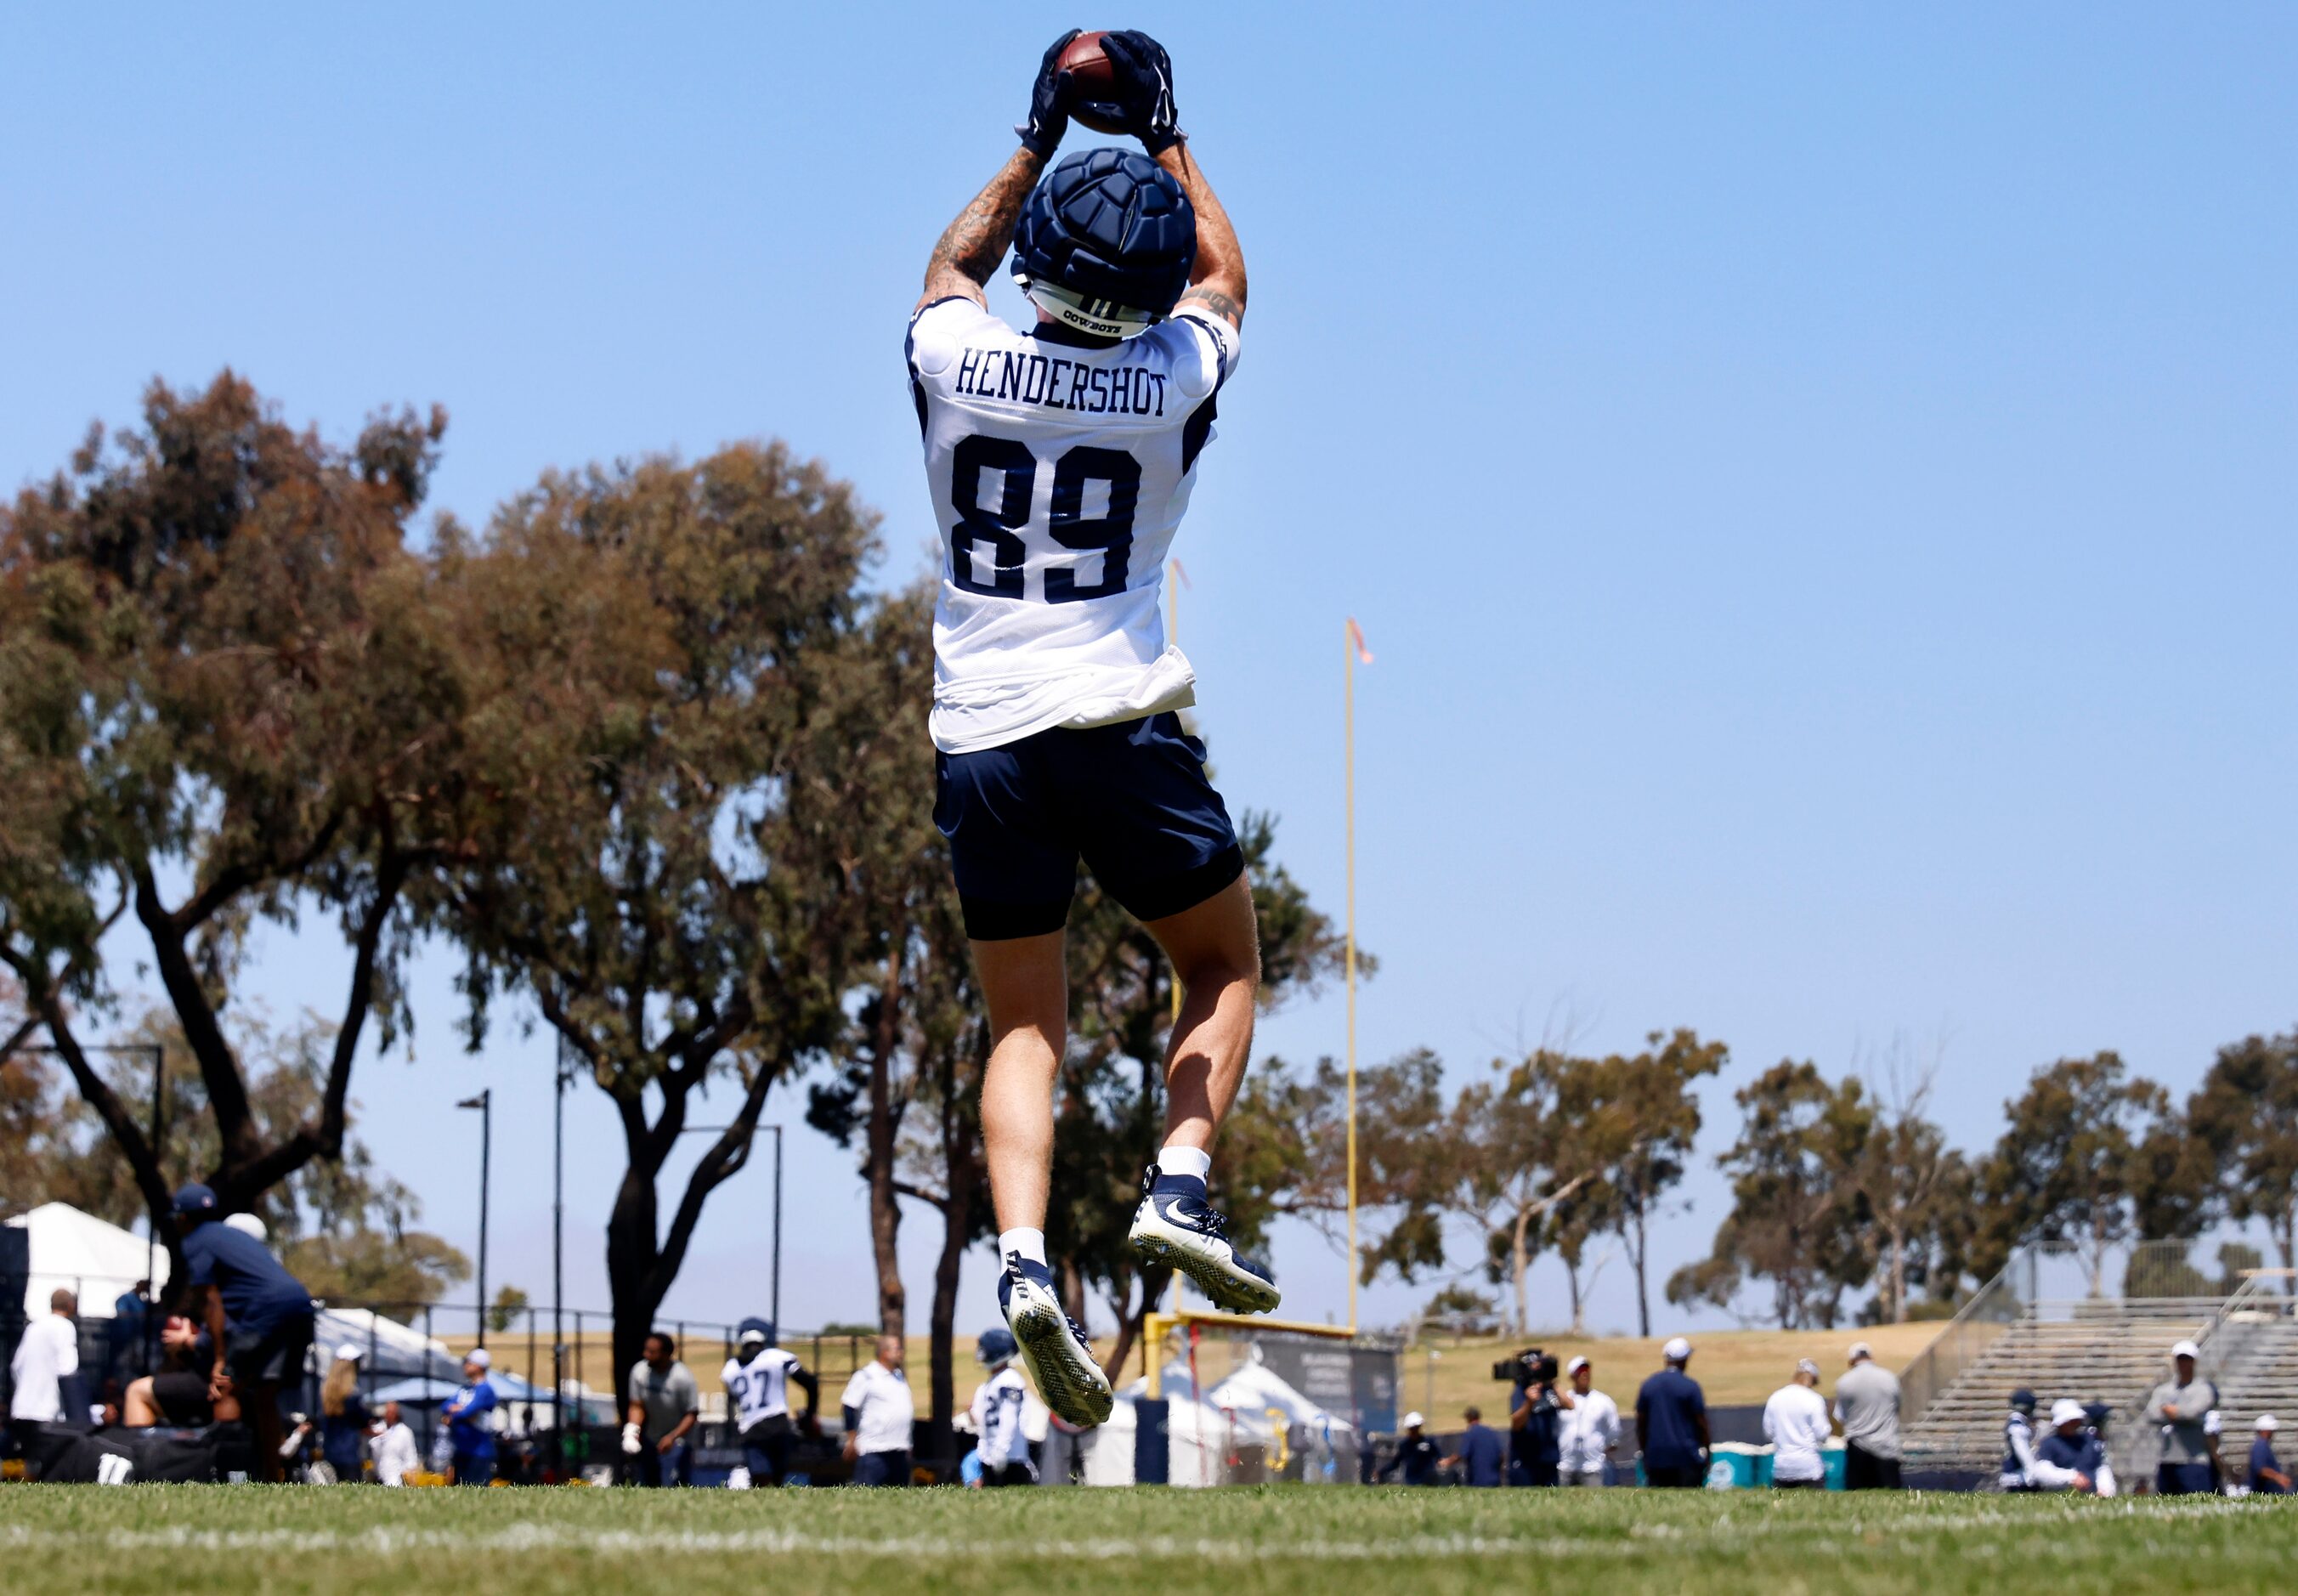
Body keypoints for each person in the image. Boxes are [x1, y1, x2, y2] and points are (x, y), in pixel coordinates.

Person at [908, 29, 1267, 1430]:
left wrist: (1040, 131)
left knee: (1022, 1020)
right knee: (1221, 961)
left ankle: (1016, 1257)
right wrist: (1163, 131)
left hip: (980, 731)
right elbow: (1223, 276)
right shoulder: (1177, 374)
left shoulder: (952, 356)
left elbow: (950, 265)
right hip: (1115, 721)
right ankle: (1174, 1184)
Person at [173, 1182, 314, 1484]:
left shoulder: (195, 1241)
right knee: (265, 1394)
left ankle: (225, 1473)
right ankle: (274, 1475)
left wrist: (220, 1358)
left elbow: (211, 1300)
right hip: (300, 1302)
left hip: (267, 1310)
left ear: (183, 1219)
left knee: (226, 1384)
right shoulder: (234, 1236)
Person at [722, 1318, 818, 1486]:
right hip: (778, 1424)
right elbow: (810, 1383)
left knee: (762, 1480)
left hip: (751, 1428)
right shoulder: (775, 1357)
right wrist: (810, 1414)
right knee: (776, 1479)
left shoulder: (731, 1368)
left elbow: (734, 1401)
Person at [122, 1313, 233, 1427]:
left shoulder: (224, 1303)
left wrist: (186, 1339)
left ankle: (141, 1444)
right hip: (213, 1374)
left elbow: (225, 1339)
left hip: (219, 1379)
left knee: (137, 1391)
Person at [2142, 1338, 2221, 1497]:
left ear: (2194, 1361)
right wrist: (2176, 1413)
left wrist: (2171, 1411)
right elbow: (2151, 1413)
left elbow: (2192, 1412)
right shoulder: (2163, 1390)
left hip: (2194, 1460)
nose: (2183, 1363)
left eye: (2187, 1359)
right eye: (2180, 1359)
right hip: (2167, 1460)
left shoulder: (2203, 1389)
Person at [8, 1288, 80, 1459]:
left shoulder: (34, 1326)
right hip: (48, 1409)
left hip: (22, 1407)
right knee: (44, 1463)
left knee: (22, 1460)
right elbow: (68, 1367)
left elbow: (16, 1366)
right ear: (71, 1305)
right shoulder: (66, 1326)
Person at [623, 1331, 699, 1487]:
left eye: (652, 1352)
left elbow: (691, 1414)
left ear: (666, 1354)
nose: (646, 1355)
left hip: (679, 1439)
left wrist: (671, 1437)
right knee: (647, 1483)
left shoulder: (683, 1378)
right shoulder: (639, 1372)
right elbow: (637, 1405)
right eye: (646, 1350)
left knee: (675, 1484)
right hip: (652, 1438)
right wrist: (632, 1431)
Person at [840, 1333, 917, 1487]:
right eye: (897, 1349)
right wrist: (851, 1439)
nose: (901, 1352)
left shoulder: (899, 1377)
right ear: (884, 1352)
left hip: (899, 1450)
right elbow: (849, 1407)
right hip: (874, 1451)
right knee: (867, 1497)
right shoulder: (867, 1376)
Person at [1636, 1338, 1711, 1487]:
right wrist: (1708, 1453)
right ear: (1683, 1360)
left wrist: (1645, 1454)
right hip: (1686, 1458)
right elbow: (1701, 1423)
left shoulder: (1649, 1385)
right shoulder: (1690, 1387)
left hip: (1657, 1459)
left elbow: (1641, 1424)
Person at [970, 1327, 1034, 1486]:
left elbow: (1009, 1416)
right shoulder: (989, 1384)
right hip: (990, 1455)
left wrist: (1001, 1448)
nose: (980, 1353)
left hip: (1011, 1457)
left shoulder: (1010, 1380)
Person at [1832, 1340, 1902, 1490]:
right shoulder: (1890, 1378)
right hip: (1887, 1446)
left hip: (1858, 1448)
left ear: (1852, 1361)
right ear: (1871, 1357)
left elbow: (1841, 1416)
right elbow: (1896, 1408)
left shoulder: (1844, 1382)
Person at [1763, 1359, 1832, 1490]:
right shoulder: (1814, 1399)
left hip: (1782, 1467)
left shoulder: (1775, 1398)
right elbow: (1822, 1433)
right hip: (1809, 1467)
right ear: (1812, 1379)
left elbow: (1768, 1432)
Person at [1557, 1357, 1622, 1487]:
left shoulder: (1602, 1401)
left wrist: (1603, 1446)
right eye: (1580, 1371)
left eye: (1587, 1370)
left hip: (1592, 1467)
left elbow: (1614, 1430)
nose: (1585, 1374)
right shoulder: (1564, 1400)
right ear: (1572, 1376)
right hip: (1565, 1465)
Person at [1509, 1356, 1572, 1486]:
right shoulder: (1521, 1391)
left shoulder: (1549, 1389)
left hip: (1549, 1457)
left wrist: (1552, 1382)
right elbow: (1516, 1424)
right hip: (1525, 1458)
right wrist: (1529, 1403)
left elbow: (1570, 1405)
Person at [442, 1348, 500, 1486]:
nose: (465, 1366)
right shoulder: (465, 1389)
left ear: (479, 1366)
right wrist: (461, 1412)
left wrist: (455, 1414)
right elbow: (445, 1405)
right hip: (462, 1450)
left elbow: (468, 1411)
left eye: (468, 1363)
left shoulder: (485, 1390)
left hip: (479, 1452)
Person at [2032, 1399, 2114, 1495]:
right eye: (2070, 1421)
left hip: (2094, 1495)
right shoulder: (2050, 1443)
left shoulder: (2089, 1441)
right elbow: (2042, 1472)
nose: (2075, 1423)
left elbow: (2101, 1468)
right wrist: (2071, 1477)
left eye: (2076, 1420)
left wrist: (2105, 1489)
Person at [319, 1344, 372, 1483]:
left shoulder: (325, 1394)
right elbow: (364, 1420)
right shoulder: (352, 1396)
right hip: (349, 1454)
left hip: (329, 1453)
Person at [1450, 1404, 1508, 1487]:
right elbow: (1502, 1455)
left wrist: (1447, 1462)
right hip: (1495, 1480)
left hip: (1478, 1480)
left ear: (1468, 1418)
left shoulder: (1470, 1432)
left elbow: (1462, 1454)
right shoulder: (1491, 1432)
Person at [1379, 1412, 1440, 1485]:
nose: (1414, 1431)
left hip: (1428, 1480)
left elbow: (1438, 1457)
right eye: (1412, 1428)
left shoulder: (1428, 1442)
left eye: (1416, 1428)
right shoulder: (1404, 1445)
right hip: (1411, 1481)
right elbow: (1395, 1463)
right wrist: (1381, 1472)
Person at [2001, 1388, 2044, 1491]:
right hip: (2018, 1478)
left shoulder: (2019, 1424)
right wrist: (2033, 1474)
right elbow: (2023, 1452)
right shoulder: (2017, 1427)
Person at [371, 1401, 421, 1486]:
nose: (389, 1415)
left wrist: (410, 1474)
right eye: (388, 1412)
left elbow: (411, 1456)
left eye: (392, 1412)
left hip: (396, 1478)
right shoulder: (377, 1429)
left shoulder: (405, 1432)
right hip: (377, 1476)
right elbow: (372, 1446)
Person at [2249, 1415, 2290, 1495]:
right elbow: (2261, 1470)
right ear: (2266, 1430)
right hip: (2263, 1492)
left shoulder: (2263, 1445)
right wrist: (2279, 1477)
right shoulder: (2260, 1446)